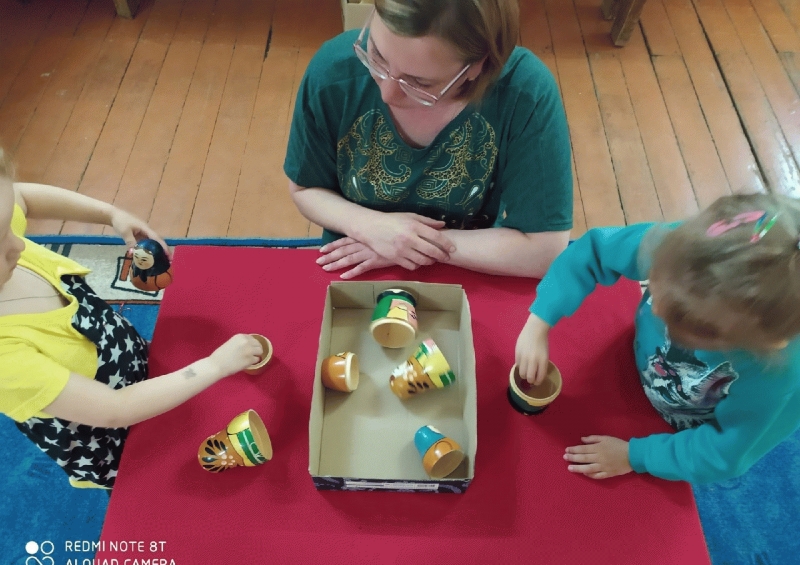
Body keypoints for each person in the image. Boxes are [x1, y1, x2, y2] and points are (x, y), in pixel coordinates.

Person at [0, 148, 264, 489]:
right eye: (1, 240)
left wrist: (110, 214)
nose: (19, 245)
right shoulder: (6, 361)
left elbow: (22, 196)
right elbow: (115, 409)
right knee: (153, 482)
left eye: (8, 226)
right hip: (109, 432)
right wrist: (215, 365)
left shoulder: (9, 243)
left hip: (129, 363)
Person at [514, 193, 800, 484]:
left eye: (682, 322)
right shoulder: (687, 252)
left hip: (680, 427)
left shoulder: (778, 376)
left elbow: (722, 453)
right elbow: (595, 250)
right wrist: (539, 320)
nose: (655, 308)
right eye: (654, 284)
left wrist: (636, 456)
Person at [284, 0, 572, 280]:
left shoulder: (525, 93)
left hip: (473, 265)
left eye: (418, 83)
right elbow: (305, 188)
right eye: (377, 56)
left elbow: (545, 250)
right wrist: (369, 227)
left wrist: (407, 244)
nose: (387, 94)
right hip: (354, 258)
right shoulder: (333, 71)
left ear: (476, 66)